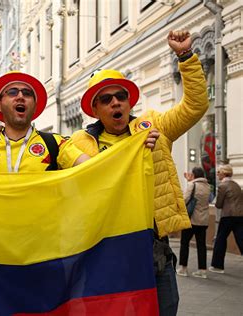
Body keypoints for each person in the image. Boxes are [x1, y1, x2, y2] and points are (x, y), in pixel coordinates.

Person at [70, 30, 209, 315]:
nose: (115, 103)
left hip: (154, 250)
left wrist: (185, 57)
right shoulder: (79, 143)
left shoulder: (154, 126)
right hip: (107, 251)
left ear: (129, 101)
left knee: (165, 309)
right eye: (106, 99)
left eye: (120, 96)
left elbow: (195, 107)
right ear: (95, 109)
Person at [0, 72, 90, 171]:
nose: (20, 96)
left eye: (27, 93)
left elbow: (92, 167)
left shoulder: (57, 144)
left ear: (34, 106)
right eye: (12, 92)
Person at [176, 167, 211, 278]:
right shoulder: (207, 186)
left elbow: (185, 200)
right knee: (201, 245)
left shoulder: (193, 185)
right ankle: (202, 270)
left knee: (184, 243)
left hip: (191, 219)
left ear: (194, 175)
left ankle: (183, 268)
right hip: (204, 220)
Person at [210, 164, 243, 273]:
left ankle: (217, 266)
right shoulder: (236, 185)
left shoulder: (223, 186)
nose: (217, 174)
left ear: (224, 173)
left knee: (220, 239)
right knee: (241, 239)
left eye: (219, 172)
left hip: (228, 216)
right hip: (240, 215)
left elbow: (218, 204)